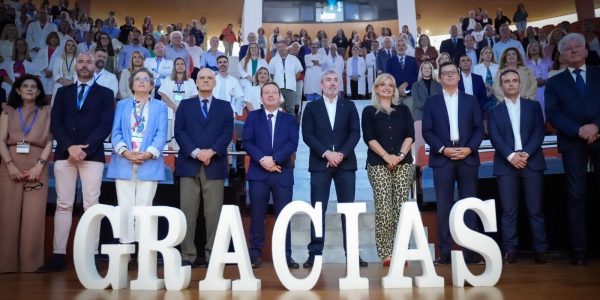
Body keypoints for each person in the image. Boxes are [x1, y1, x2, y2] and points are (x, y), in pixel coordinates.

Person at [38, 53, 115, 272]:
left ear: (95, 66)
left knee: (92, 205)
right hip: (65, 154)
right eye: (80, 62)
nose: (84, 65)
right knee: (63, 204)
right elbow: (56, 122)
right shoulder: (63, 92)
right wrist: (69, 146)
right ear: (74, 66)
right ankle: (58, 256)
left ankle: (90, 254)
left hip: (93, 155)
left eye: (89, 62)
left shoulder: (106, 93)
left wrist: (84, 149)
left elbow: (105, 125)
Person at [301, 69, 367, 268]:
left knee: (348, 210)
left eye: (335, 80)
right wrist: (326, 154)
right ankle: (315, 253)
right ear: (321, 85)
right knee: (317, 210)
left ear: (340, 84)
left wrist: (341, 154)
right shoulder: (312, 107)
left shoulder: (349, 105)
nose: (332, 83)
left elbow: (355, 133)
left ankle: (353, 253)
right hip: (320, 164)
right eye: (328, 80)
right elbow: (307, 134)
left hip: (345, 164)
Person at [545, 33, 600, 265]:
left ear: (587, 51)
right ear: (562, 55)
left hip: (599, 136)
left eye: (578, 46)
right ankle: (578, 250)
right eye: (567, 48)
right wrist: (579, 130)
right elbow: (553, 114)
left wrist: (596, 126)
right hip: (572, 141)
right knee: (576, 196)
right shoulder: (554, 82)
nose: (573, 50)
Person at [422, 61, 484, 264]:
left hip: (467, 156)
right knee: (444, 206)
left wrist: (468, 149)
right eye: (445, 73)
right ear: (439, 78)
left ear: (459, 77)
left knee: (470, 205)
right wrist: (444, 149)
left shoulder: (471, 100)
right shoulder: (432, 102)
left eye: (453, 73)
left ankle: (472, 252)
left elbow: (478, 129)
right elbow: (427, 131)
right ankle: (445, 253)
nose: (449, 75)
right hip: (442, 159)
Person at [487, 69, 549, 265]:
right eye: (507, 81)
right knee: (508, 211)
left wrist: (525, 154)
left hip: (532, 162)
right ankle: (510, 250)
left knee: (535, 209)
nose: (511, 84)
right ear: (501, 85)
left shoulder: (534, 107)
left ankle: (540, 250)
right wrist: (512, 156)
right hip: (506, 165)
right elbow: (494, 137)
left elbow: (539, 132)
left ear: (520, 83)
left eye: (515, 80)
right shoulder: (493, 111)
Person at [174, 67, 233, 267]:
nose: (206, 81)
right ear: (196, 82)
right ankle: (188, 255)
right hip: (189, 164)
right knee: (187, 212)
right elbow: (179, 132)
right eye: (202, 78)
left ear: (215, 82)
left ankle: (212, 255)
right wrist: (197, 152)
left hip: (214, 165)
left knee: (213, 214)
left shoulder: (225, 107)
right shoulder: (185, 105)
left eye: (210, 78)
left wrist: (211, 152)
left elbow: (227, 133)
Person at [106, 68, 168, 244]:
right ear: (132, 84)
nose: (141, 81)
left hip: (148, 162)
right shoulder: (122, 105)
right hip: (123, 161)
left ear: (151, 85)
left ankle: (144, 248)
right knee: (125, 207)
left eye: (146, 79)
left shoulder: (160, 106)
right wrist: (125, 152)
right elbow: (116, 132)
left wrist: (148, 154)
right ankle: (126, 248)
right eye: (138, 79)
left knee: (145, 206)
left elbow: (161, 134)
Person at [243, 81, 299, 268]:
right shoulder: (253, 117)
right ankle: (255, 255)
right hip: (258, 174)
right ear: (260, 97)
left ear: (280, 97)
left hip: (282, 173)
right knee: (257, 215)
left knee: (284, 215)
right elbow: (248, 142)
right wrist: (263, 161)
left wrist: (273, 160)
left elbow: (292, 143)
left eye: (274, 92)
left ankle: (286, 255)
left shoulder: (290, 119)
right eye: (266, 92)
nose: (270, 95)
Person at [0, 75, 52, 273]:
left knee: (34, 216)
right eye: (25, 86)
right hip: (10, 164)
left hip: (38, 164)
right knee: (7, 214)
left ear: (39, 92)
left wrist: (39, 165)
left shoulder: (47, 111)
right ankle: (5, 264)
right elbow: (1, 141)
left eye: (34, 87)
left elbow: (50, 141)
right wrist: (10, 165)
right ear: (18, 90)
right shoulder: (7, 111)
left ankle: (31, 264)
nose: (29, 89)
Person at [361, 74, 414, 266]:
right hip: (377, 164)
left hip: (403, 163)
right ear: (376, 88)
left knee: (401, 208)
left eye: (391, 85)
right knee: (384, 207)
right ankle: (386, 253)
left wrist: (399, 156)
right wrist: (386, 157)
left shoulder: (404, 110)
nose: (387, 87)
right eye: (382, 84)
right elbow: (369, 137)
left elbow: (410, 135)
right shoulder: (368, 111)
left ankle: (401, 250)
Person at [158, 57, 198, 149]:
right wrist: (175, 107)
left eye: (182, 64)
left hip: (185, 113)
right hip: (170, 112)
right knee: (169, 136)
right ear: (174, 67)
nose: (180, 66)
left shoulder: (191, 81)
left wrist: (182, 109)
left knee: (183, 136)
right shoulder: (168, 79)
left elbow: (194, 96)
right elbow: (163, 95)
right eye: (177, 64)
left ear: (185, 67)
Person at [268, 41, 303, 114]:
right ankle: (280, 125)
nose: (281, 48)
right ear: (277, 49)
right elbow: (271, 74)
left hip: (290, 88)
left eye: (282, 46)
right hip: (278, 88)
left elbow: (298, 72)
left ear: (286, 47)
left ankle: (291, 125)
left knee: (290, 109)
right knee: (279, 109)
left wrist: (291, 80)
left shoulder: (294, 59)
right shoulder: (273, 60)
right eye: (279, 47)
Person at [386, 39, 419, 114]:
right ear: (395, 48)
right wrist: (397, 89)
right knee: (395, 116)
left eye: (403, 45)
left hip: (409, 94)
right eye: (398, 45)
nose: (401, 47)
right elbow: (388, 77)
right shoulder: (390, 61)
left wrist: (406, 83)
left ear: (406, 48)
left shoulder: (413, 60)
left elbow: (416, 75)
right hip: (394, 94)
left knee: (410, 115)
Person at [524, 41, 552, 120]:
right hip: (532, 89)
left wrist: (546, 81)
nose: (534, 48)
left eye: (536, 46)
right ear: (528, 49)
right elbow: (523, 77)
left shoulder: (547, 60)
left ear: (540, 48)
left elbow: (552, 74)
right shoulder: (524, 62)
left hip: (547, 87)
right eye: (531, 46)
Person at [33, 31, 61, 99]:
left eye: (55, 38)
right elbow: (37, 62)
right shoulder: (42, 50)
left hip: (54, 76)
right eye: (52, 38)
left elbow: (61, 63)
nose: (53, 39)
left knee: (52, 97)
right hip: (43, 75)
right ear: (49, 39)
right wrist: (45, 70)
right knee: (41, 96)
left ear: (58, 39)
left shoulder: (61, 50)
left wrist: (52, 72)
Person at [473, 46, 500, 114]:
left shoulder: (497, 67)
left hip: (496, 93)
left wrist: (493, 90)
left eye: (490, 53)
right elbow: (478, 81)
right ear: (482, 55)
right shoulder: (477, 67)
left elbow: (498, 80)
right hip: (483, 93)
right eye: (486, 53)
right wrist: (488, 89)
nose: (488, 54)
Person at [51, 38, 78, 104]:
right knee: (58, 106)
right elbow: (55, 73)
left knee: (71, 106)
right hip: (60, 84)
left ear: (75, 48)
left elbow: (79, 73)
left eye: (73, 45)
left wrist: (71, 82)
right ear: (65, 47)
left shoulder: (79, 59)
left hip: (73, 84)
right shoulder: (58, 59)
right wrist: (64, 82)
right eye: (68, 45)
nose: (70, 47)